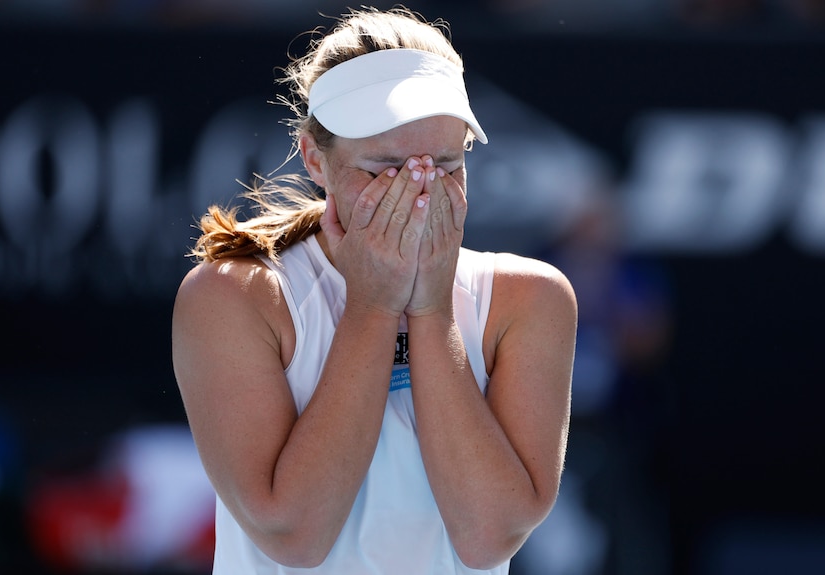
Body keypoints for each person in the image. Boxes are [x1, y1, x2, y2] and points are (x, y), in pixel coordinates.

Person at [171, 6, 577, 574]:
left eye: (445, 165)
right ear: (316, 158)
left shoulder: (531, 299)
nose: (417, 193)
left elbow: (489, 538)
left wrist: (432, 309)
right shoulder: (232, 297)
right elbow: (294, 535)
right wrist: (375, 304)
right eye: (385, 169)